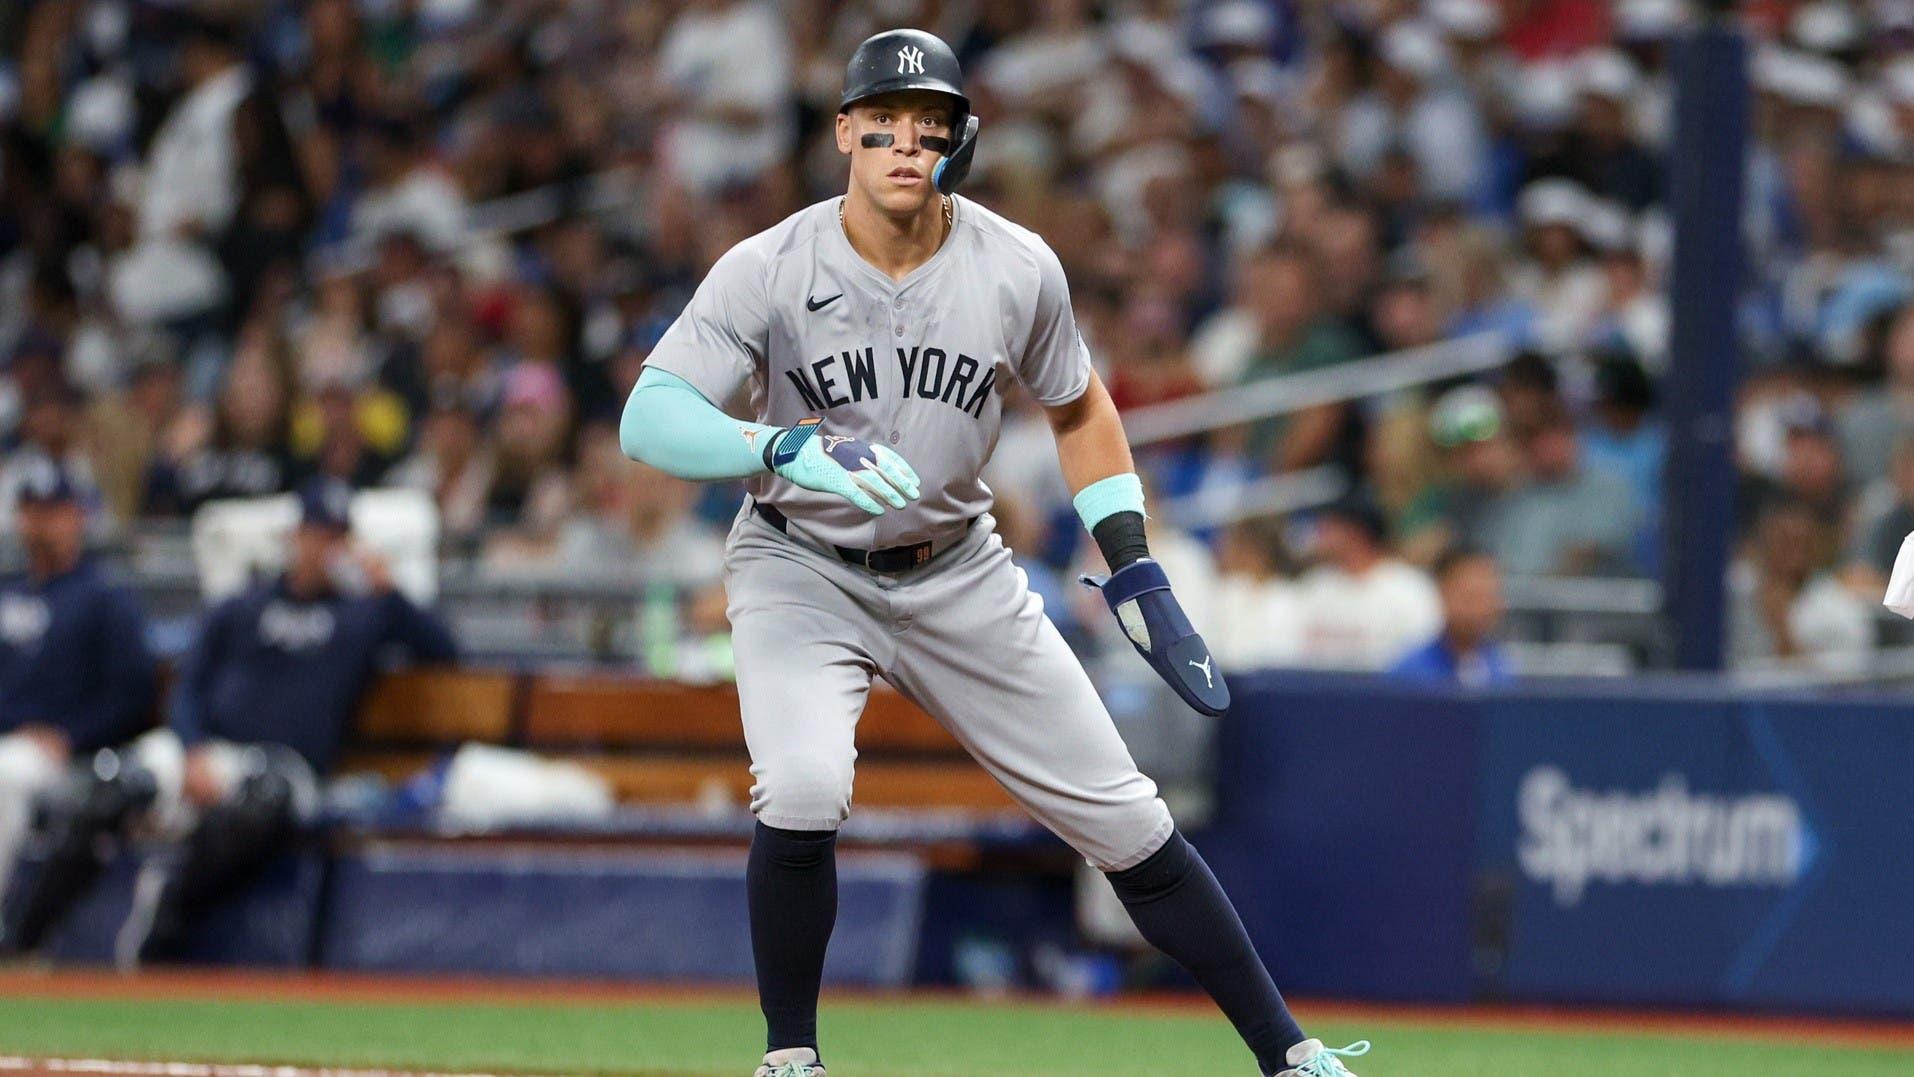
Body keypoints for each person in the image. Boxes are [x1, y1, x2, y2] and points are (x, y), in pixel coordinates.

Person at [618, 30, 1371, 1077]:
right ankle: (790, 1059)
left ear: (957, 141)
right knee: (800, 787)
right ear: (843, 131)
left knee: (1124, 814)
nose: (901, 145)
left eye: (927, 127)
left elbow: (1080, 407)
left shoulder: (1017, 266)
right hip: (802, 563)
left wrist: (1130, 551)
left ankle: (1291, 1056)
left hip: (957, 568)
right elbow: (648, 418)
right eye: (879, 124)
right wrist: (777, 443)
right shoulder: (771, 265)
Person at [0, 479, 457, 965]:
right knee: (106, 787)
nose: (322, 547)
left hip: (282, 765)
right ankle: (24, 943)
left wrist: (390, 590)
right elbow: (190, 687)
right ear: (293, 537)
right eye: (314, 534)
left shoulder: (364, 613)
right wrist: (192, 748)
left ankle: (161, 929)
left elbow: (445, 652)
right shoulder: (243, 605)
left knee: (256, 807)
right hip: (204, 751)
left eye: (334, 537)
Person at [0, 460, 155, 909]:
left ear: (77, 516)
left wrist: (71, 735)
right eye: (32, 511)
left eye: (53, 511)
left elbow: (132, 692)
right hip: (11, 744)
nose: (41, 524)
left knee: (4, 774)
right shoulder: (9, 591)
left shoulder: (103, 597)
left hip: (60, 756)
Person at [1295, 497, 1443, 670]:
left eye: (1328, 526)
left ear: (1355, 532)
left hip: (1386, 693)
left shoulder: (1410, 589)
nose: (1319, 534)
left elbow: (1425, 658)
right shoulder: (1314, 586)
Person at [1389, 547, 1514, 686]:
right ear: (1442, 592)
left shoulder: (1501, 670)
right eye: (1470, 597)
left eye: (1488, 595)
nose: (1479, 609)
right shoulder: (1409, 674)